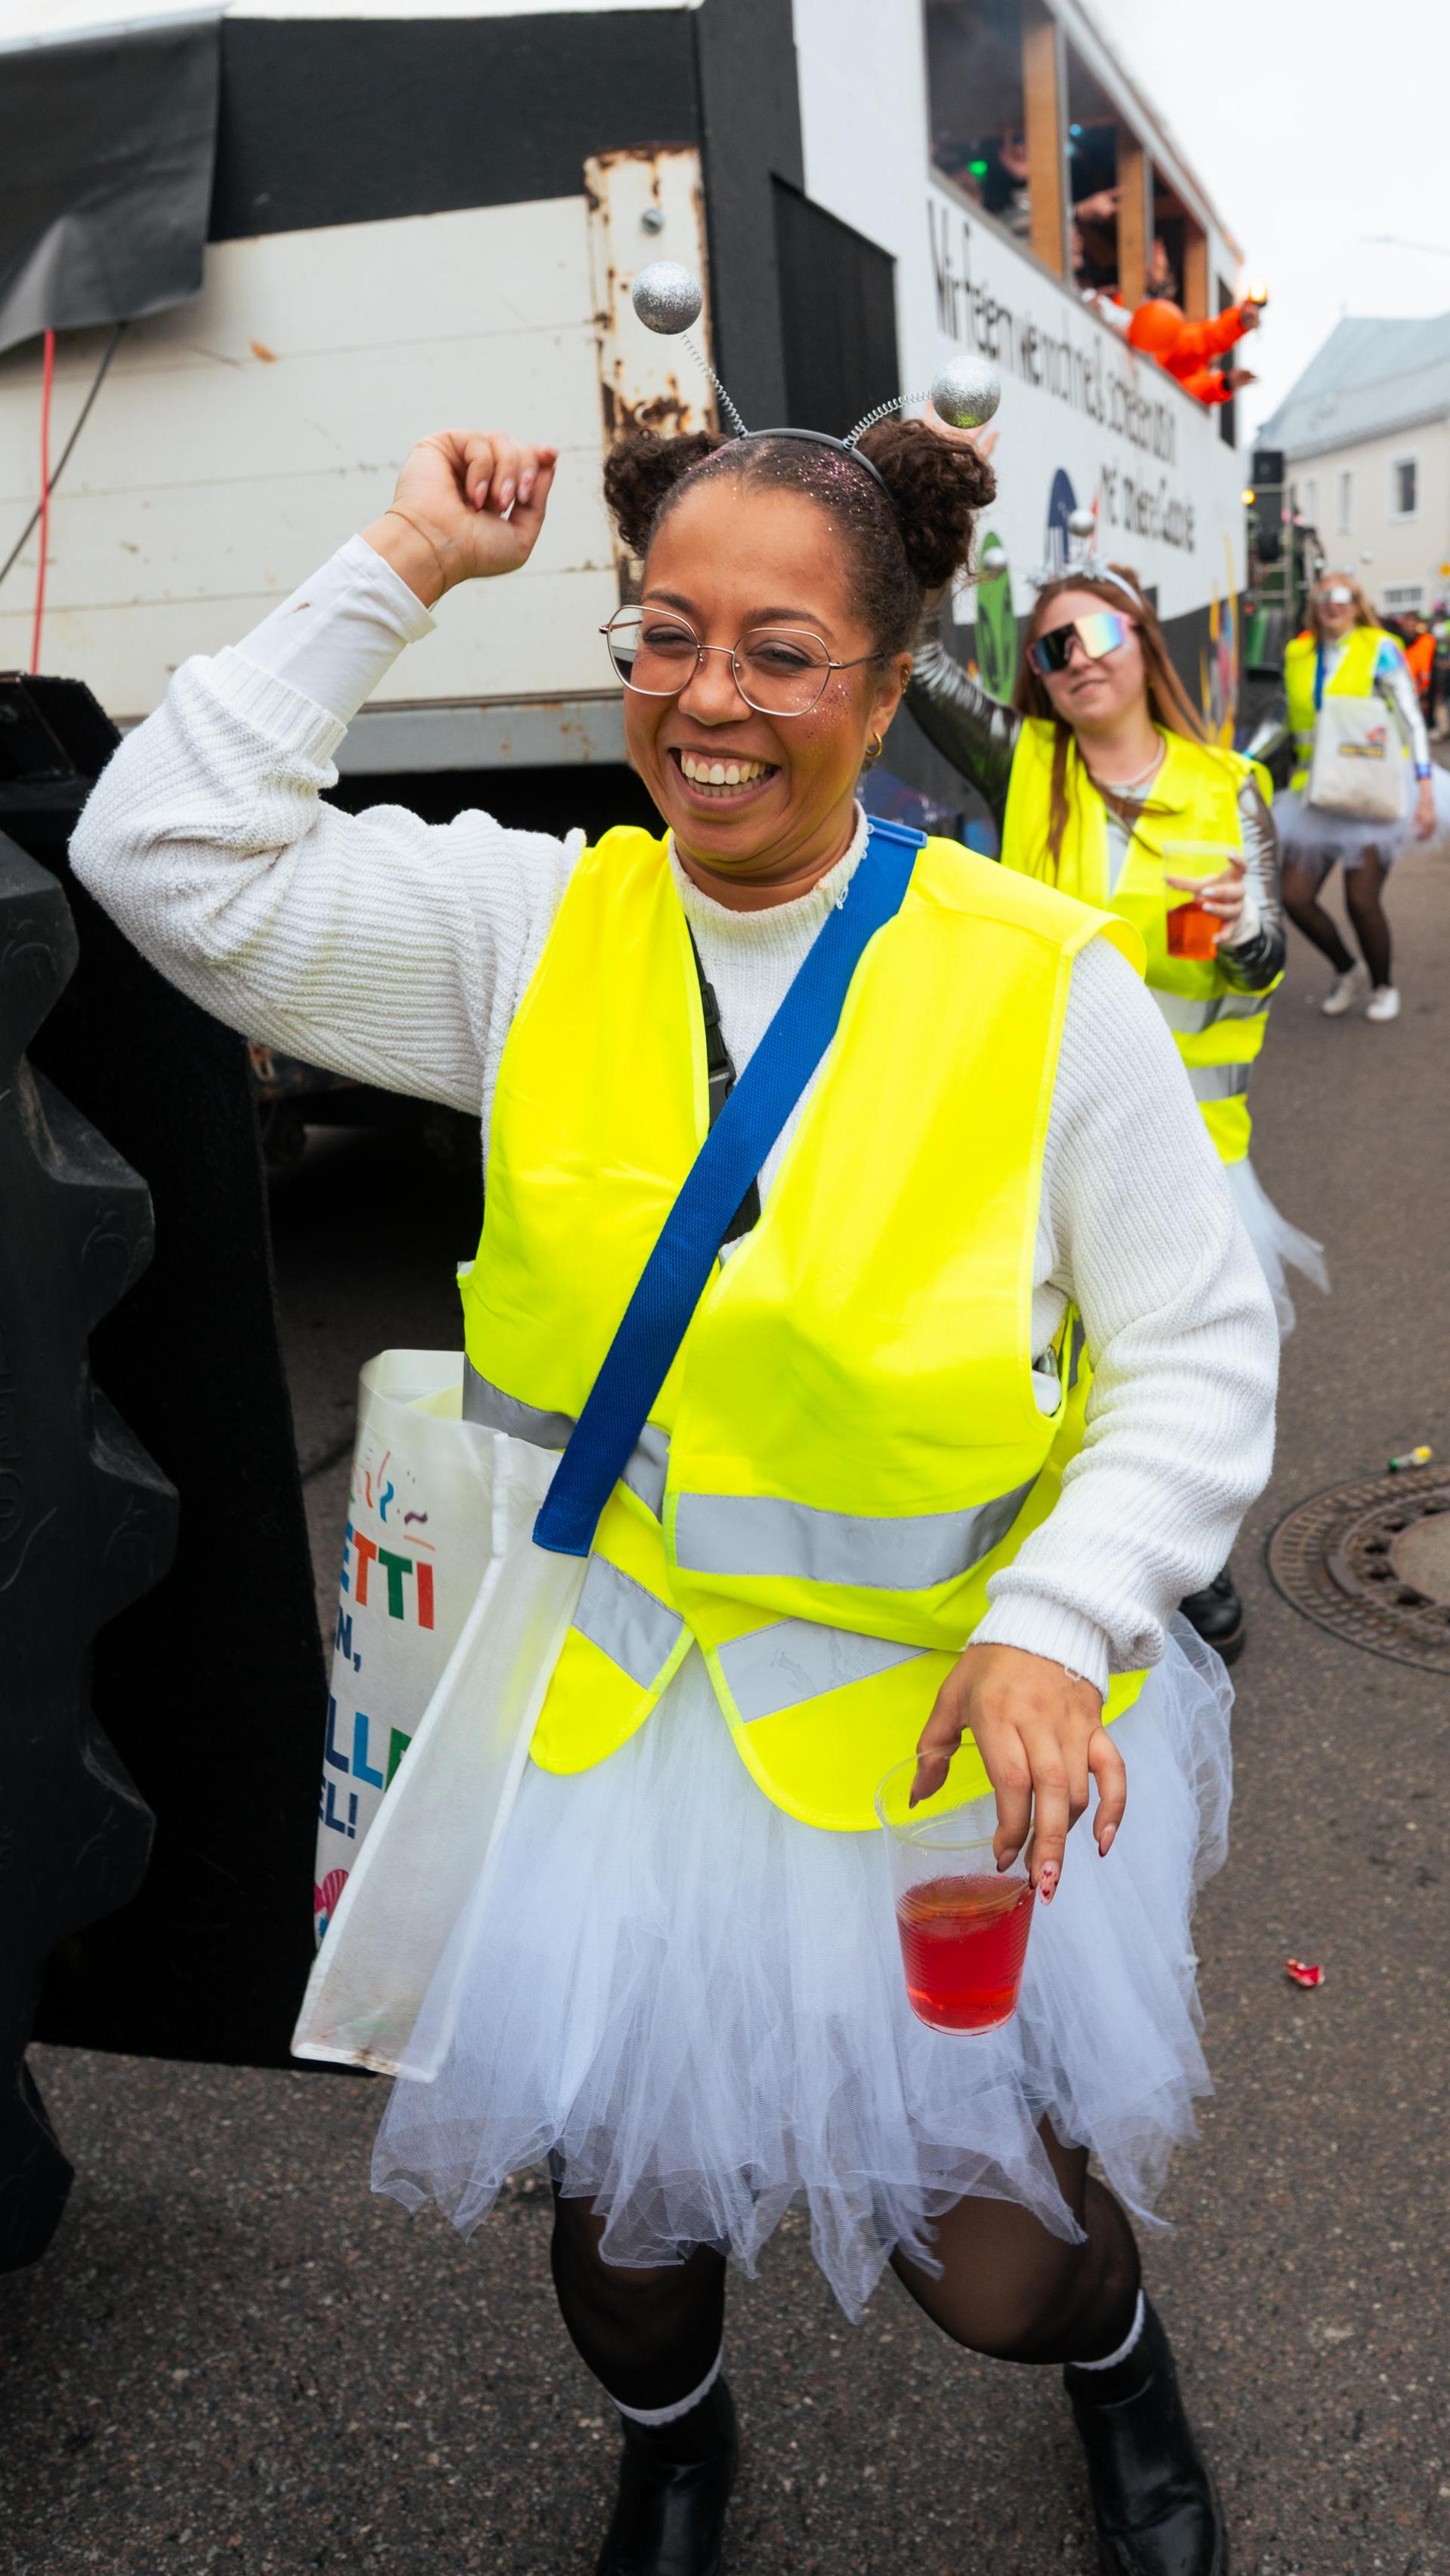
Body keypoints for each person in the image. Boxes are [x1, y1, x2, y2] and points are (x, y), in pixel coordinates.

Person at [72, 408, 1277, 2576]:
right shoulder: (528, 928)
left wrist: (1062, 1618)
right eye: (667, 635)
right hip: (612, 1720)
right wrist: (399, 560)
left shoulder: (1039, 984)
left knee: (997, 2265)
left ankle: (1120, 2362)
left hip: (921, 1725)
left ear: (888, 688)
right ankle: (680, 2447)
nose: (709, 698)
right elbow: (160, 852)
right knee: (627, 2235)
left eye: (783, 651)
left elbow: (1198, 1347)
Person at [907, 522, 1319, 1665]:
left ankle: (1189, 1560)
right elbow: (918, 656)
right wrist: (948, 507)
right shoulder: (1026, 769)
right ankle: (1046, 1566)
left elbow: (1267, 962)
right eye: (1048, 650)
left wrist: (1246, 936)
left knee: (1170, 1361)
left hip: (1193, 1145)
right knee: (1038, 1351)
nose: (1076, 658)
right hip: (1036, 1129)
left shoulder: (1231, 787)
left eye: (1093, 633)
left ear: (1140, 641)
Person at [1250, 573, 1436, 1021]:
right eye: (1323, 596)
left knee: (1361, 900)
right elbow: (1280, 718)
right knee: (1294, 897)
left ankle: (1383, 984)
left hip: (1370, 794)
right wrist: (1242, 757)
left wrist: (1425, 788)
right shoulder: (1297, 652)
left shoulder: (1380, 648)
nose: (1332, 605)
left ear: (1357, 603)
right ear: (1313, 603)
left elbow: (1411, 717)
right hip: (1314, 797)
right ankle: (1346, 969)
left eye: (1342, 597)